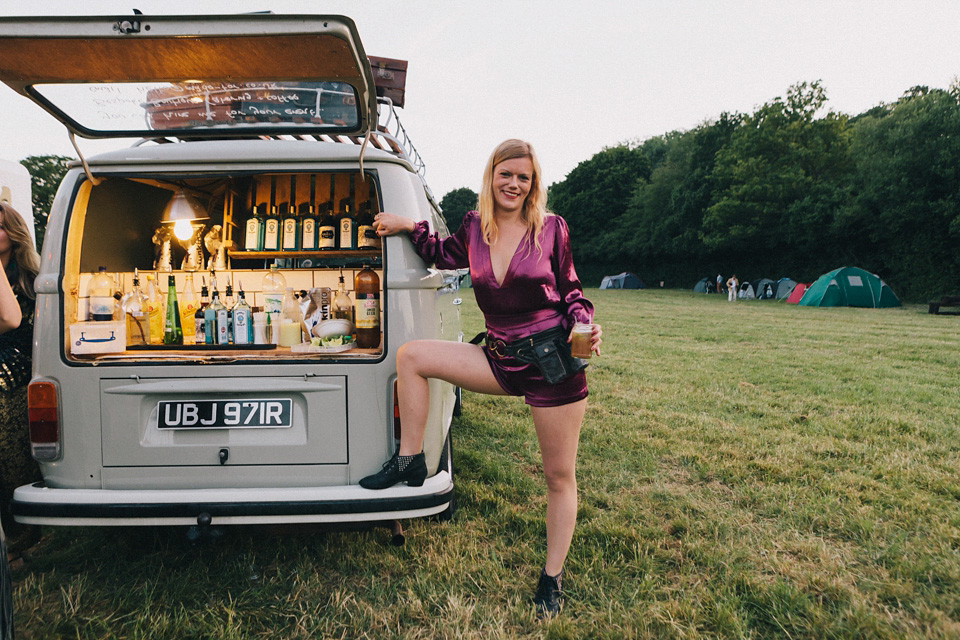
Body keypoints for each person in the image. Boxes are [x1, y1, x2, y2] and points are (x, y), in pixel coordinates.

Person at [363, 139, 602, 617]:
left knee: (558, 476)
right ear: (491, 176)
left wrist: (585, 323)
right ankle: (410, 460)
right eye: (506, 174)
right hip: (498, 358)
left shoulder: (551, 229)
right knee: (411, 356)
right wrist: (408, 224)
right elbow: (439, 251)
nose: (513, 184)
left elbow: (572, 289)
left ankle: (551, 579)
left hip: (552, 365)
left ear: (534, 185)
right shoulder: (475, 228)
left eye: (524, 178)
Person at [0, 202, 42, 558]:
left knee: (15, 455)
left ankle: (26, 534)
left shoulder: (29, 276)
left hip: (20, 368)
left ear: (12, 234)